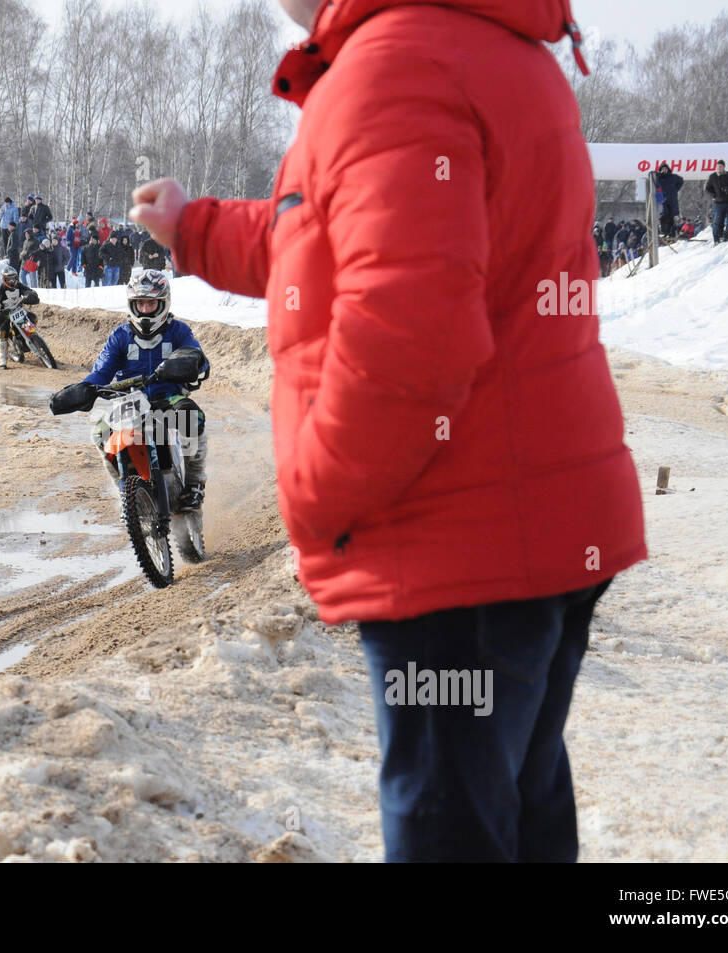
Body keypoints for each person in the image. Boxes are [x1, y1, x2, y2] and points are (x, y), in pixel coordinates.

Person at [129, 0, 645, 863]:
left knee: (452, 824)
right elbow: (324, 233)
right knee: (516, 804)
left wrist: (311, 490)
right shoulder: (471, 42)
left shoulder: (396, 68)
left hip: (454, 542)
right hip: (525, 523)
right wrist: (196, 229)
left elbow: (411, 336)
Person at [79, 270, 209, 511]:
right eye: (141, 303)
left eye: (151, 303)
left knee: (193, 417)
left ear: (163, 303)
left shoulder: (178, 331)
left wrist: (190, 362)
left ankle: (195, 483)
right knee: (100, 434)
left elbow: (197, 355)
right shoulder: (120, 336)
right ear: (133, 305)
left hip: (168, 397)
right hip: (128, 401)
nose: (146, 309)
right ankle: (124, 491)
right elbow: (101, 372)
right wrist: (83, 389)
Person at [0, 263, 40, 370]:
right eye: (9, 279)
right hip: (6, 315)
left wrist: (29, 295)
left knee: (33, 317)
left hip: (18, 311)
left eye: (14, 279)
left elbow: (28, 290)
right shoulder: (0, 290)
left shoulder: (19, 285)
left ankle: (34, 338)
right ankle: (2, 359)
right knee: (3, 332)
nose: (12, 282)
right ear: (4, 279)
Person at [705, 158, 728, 244]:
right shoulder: (712, 176)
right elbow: (707, 188)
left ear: (724, 167)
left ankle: (725, 236)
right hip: (718, 203)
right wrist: (714, 195)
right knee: (717, 222)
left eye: (720, 166)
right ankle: (716, 240)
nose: (719, 168)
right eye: (717, 167)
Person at [653, 162, 684, 240]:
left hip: (672, 198)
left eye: (665, 169)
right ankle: (664, 232)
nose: (664, 170)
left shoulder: (673, 177)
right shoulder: (659, 177)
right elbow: (652, 178)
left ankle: (672, 233)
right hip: (662, 198)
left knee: (672, 215)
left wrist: (676, 189)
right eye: (662, 169)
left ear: (668, 169)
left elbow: (681, 180)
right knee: (664, 215)